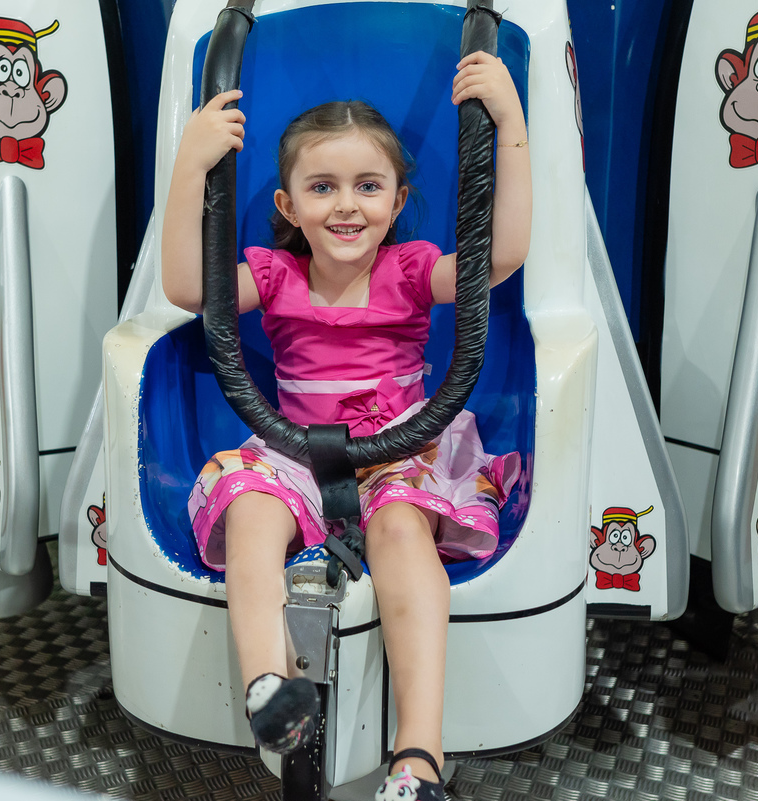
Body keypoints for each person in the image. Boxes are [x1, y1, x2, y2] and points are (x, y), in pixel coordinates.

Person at [162, 51, 531, 801]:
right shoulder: (273, 274)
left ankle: (416, 755)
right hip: (300, 449)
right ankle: (271, 685)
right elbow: (184, 287)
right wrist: (189, 166)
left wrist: (511, 127)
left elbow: (504, 255)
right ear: (289, 205)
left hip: (401, 446)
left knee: (400, 528)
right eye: (322, 187)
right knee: (251, 506)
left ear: (397, 203)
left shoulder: (409, 270)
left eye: (368, 187)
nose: (346, 206)